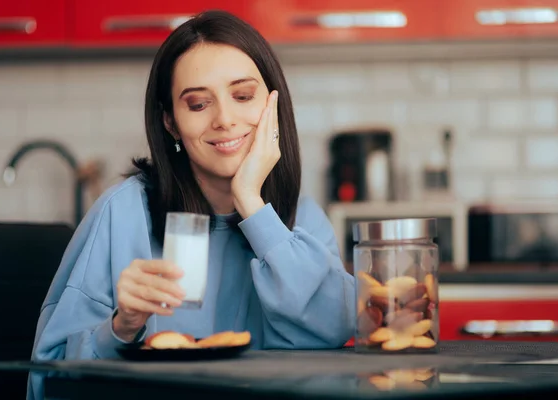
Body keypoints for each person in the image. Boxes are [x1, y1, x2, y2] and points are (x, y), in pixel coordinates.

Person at [27, 9, 355, 400]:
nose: (225, 119)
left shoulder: (300, 219)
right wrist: (121, 327)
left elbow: (334, 330)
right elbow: (48, 378)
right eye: (198, 104)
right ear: (170, 123)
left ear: (272, 105)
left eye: (243, 96)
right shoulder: (122, 214)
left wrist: (250, 201)